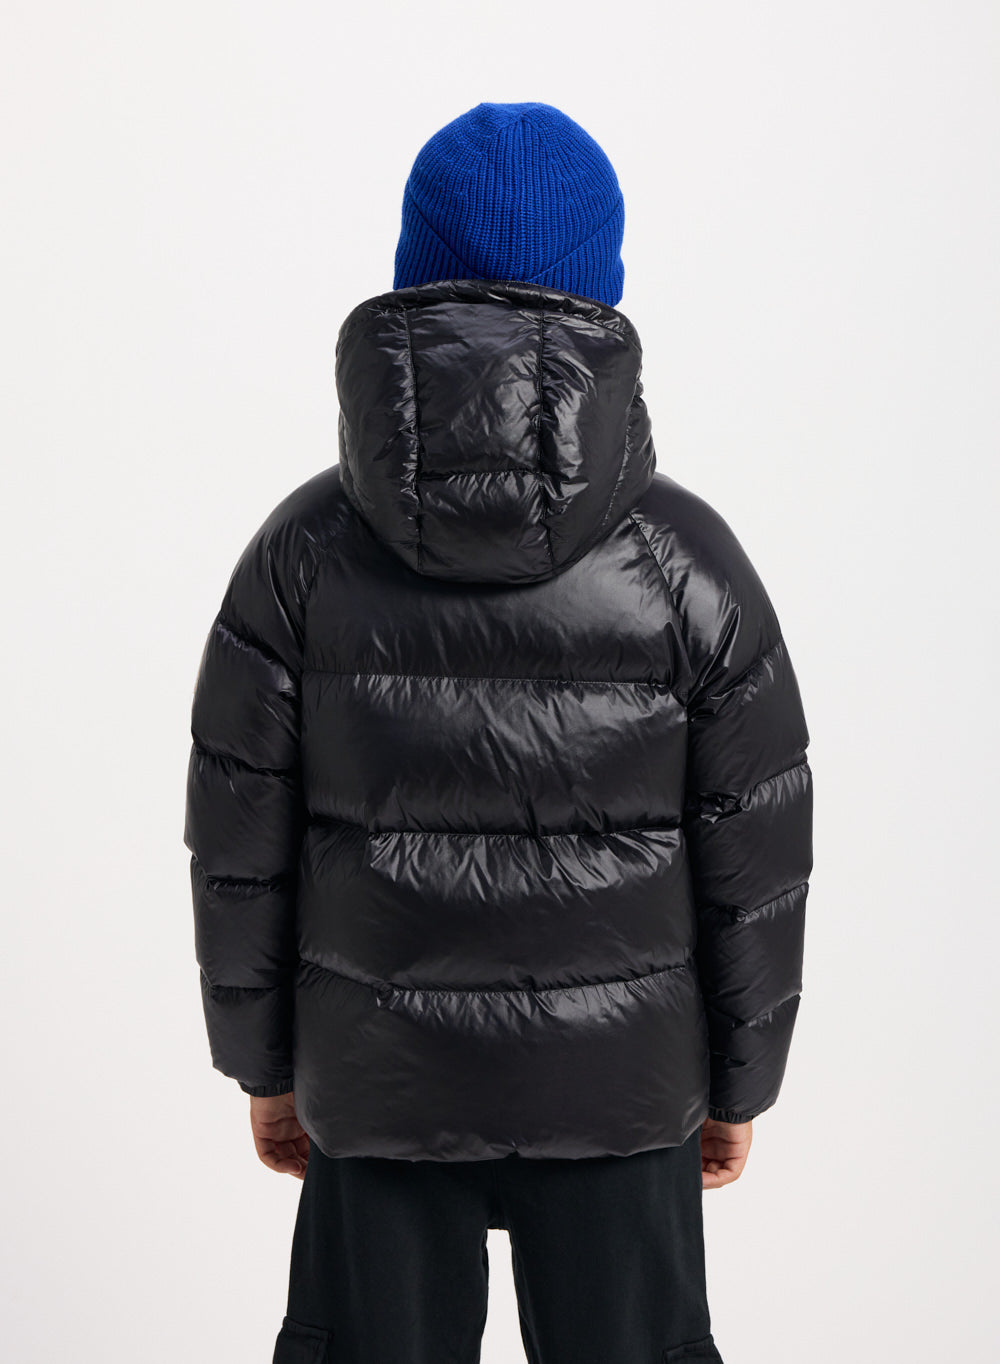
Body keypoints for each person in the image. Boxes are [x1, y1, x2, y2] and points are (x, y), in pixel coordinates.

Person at [183, 100, 813, 1364]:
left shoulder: (299, 558)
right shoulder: (689, 567)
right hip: (623, 1085)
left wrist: (266, 1065)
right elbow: (756, 860)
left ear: (412, 275)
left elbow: (238, 841)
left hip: (376, 1079)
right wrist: (739, 1078)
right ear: (603, 290)